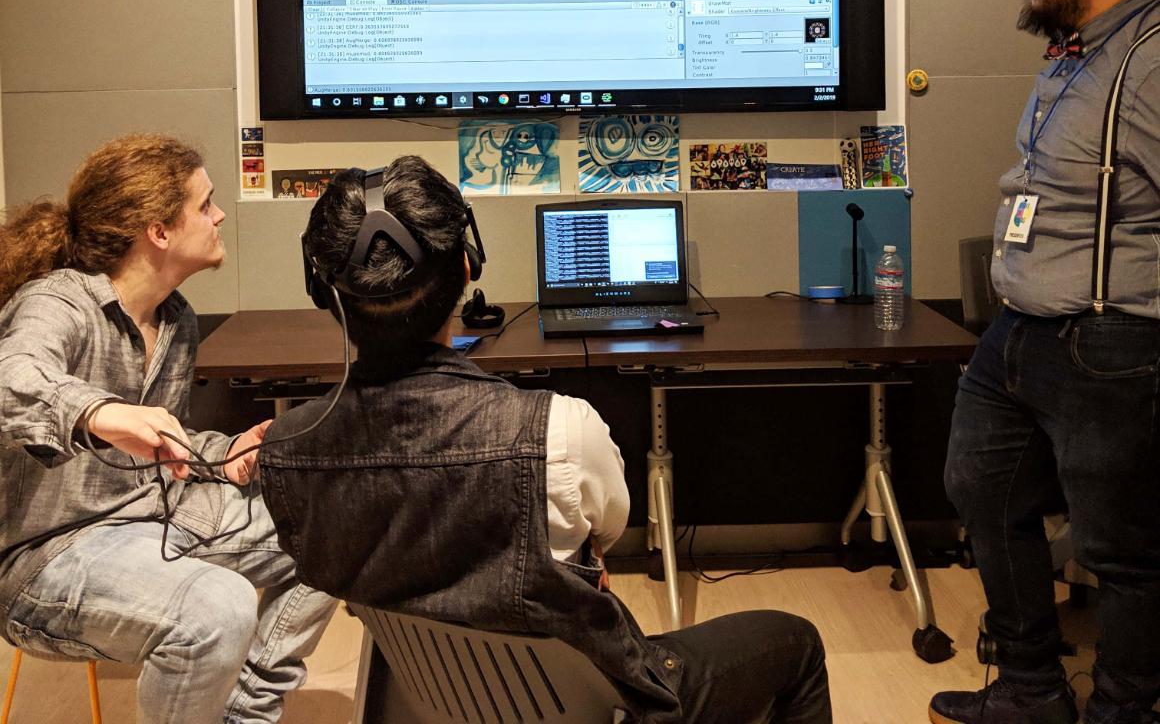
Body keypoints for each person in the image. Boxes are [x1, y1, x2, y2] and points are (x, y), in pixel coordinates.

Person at [260, 155, 832, 723]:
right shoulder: (560, 432)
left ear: (321, 291)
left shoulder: (286, 450)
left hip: (422, 696)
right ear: (468, 264)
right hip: (597, 703)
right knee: (797, 642)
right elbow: (605, 534)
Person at [0, 134, 336, 724]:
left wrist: (226, 451)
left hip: (158, 517)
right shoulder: (58, 302)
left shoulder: (176, 320)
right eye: (205, 204)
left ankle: (241, 715)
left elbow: (159, 439)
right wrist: (98, 412)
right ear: (158, 231)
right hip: (49, 556)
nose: (219, 215)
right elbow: (11, 377)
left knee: (342, 523)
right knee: (219, 607)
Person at [931, 0, 1160, 724]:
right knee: (983, 493)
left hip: (1110, 341)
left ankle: (1123, 711)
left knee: (1121, 548)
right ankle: (1030, 689)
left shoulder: (1150, 60)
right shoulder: (1081, 50)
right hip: (1020, 332)